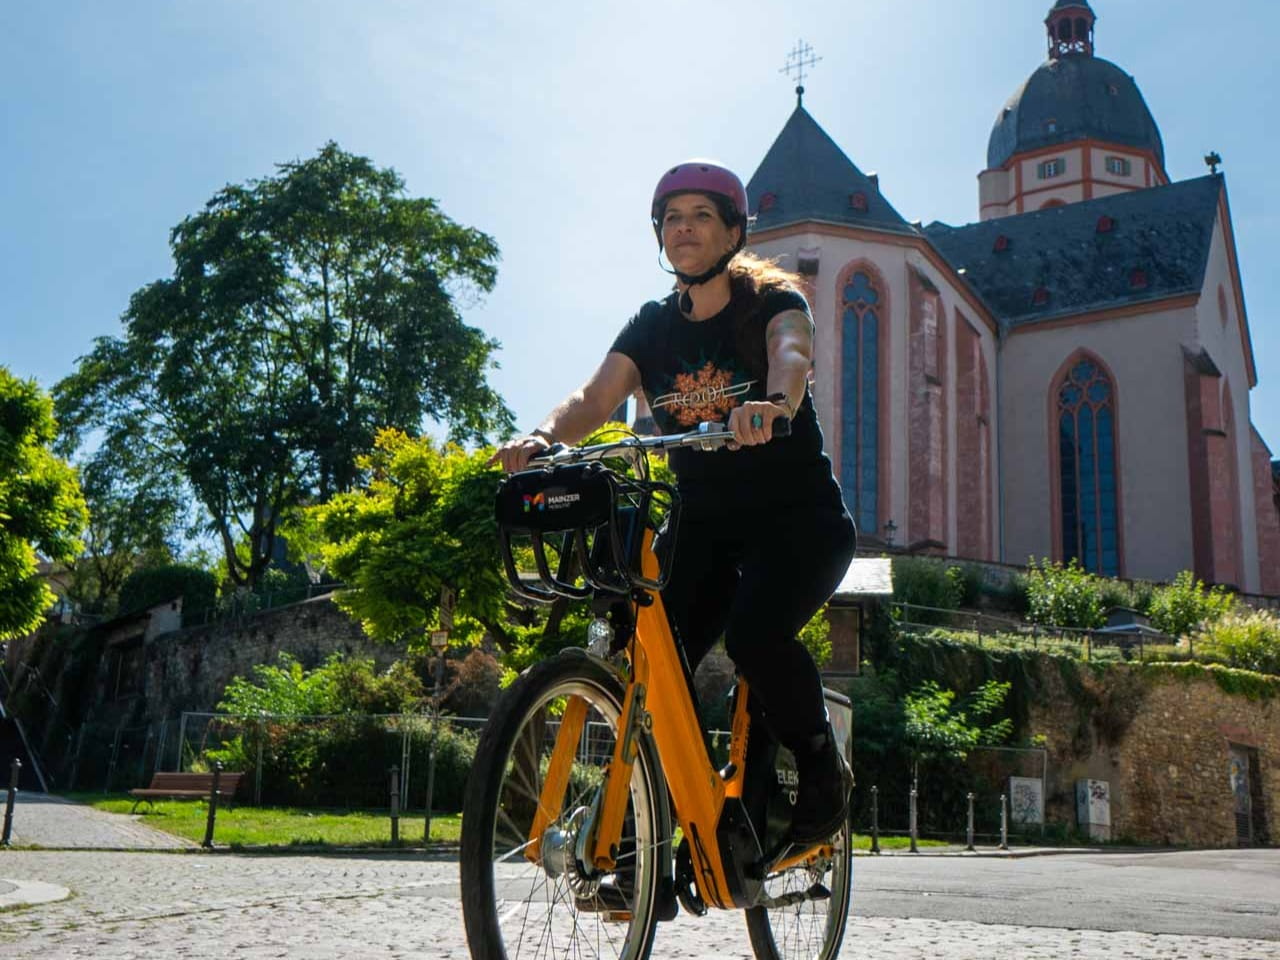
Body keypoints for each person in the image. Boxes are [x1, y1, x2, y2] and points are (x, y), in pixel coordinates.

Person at [491, 159, 857, 844]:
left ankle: (818, 768)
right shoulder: (653, 328)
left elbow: (792, 358)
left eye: (700, 217)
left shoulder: (774, 305)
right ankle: (647, 836)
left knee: (755, 635)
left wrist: (772, 404)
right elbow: (595, 399)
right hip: (706, 527)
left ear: (733, 233)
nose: (683, 229)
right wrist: (541, 438)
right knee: (651, 662)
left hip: (798, 522)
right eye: (671, 219)